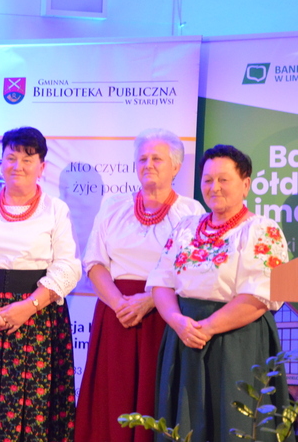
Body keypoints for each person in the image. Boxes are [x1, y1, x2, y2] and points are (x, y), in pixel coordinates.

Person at [147, 144, 294, 442]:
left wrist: (208, 327)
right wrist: (177, 321)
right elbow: (161, 282)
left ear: (246, 184)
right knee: (184, 425)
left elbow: (262, 297)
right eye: (208, 180)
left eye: (223, 180)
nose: (214, 187)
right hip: (184, 337)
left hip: (239, 342)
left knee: (237, 424)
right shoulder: (185, 226)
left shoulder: (265, 229)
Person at [74, 129, 204, 442]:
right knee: (112, 401)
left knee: (155, 400)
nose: (148, 165)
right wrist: (119, 303)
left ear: (176, 167)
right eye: (142, 158)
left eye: (157, 158)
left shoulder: (191, 212)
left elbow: (192, 271)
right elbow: (94, 263)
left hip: (163, 317)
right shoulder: (113, 206)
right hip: (115, 315)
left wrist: (149, 300)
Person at [0, 127, 81, 442]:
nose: (17, 166)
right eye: (11, 157)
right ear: (1, 162)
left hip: (37, 318)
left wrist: (29, 306)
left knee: (34, 406)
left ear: (42, 167)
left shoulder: (55, 209)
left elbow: (68, 267)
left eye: (27, 159)